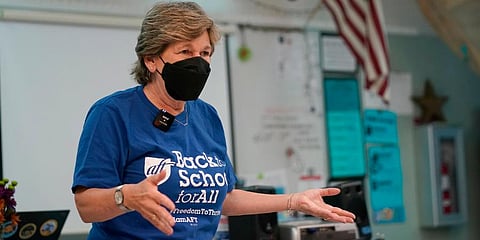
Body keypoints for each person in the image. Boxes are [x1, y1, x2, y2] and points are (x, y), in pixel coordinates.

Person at [71, 1, 356, 239]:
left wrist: (293, 201)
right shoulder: (113, 113)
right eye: (185, 52)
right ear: (151, 59)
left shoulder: (206, 116)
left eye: (205, 53)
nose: (198, 62)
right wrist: (126, 196)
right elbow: (86, 206)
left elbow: (223, 198)